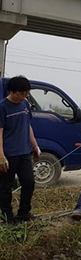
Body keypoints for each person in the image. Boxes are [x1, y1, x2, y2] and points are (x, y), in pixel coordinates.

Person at [0, 76, 41, 223]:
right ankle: (7, 216)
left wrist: (35, 146)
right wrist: (1, 156)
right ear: (12, 92)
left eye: (27, 93)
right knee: (6, 186)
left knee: (29, 182)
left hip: (24, 152)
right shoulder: (2, 107)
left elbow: (27, 126)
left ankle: (24, 213)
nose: (25, 96)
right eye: (22, 93)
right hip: (8, 154)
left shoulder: (25, 104)